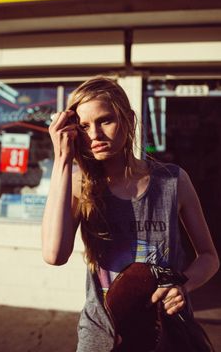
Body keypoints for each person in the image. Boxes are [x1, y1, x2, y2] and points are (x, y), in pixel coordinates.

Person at [41, 76, 219, 351]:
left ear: (128, 119)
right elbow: (54, 255)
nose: (95, 135)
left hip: (167, 333)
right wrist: (62, 159)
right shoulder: (81, 184)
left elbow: (209, 257)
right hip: (102, 338)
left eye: (105, 120)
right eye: (84, 126)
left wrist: (183, 285)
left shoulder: (172, 180)